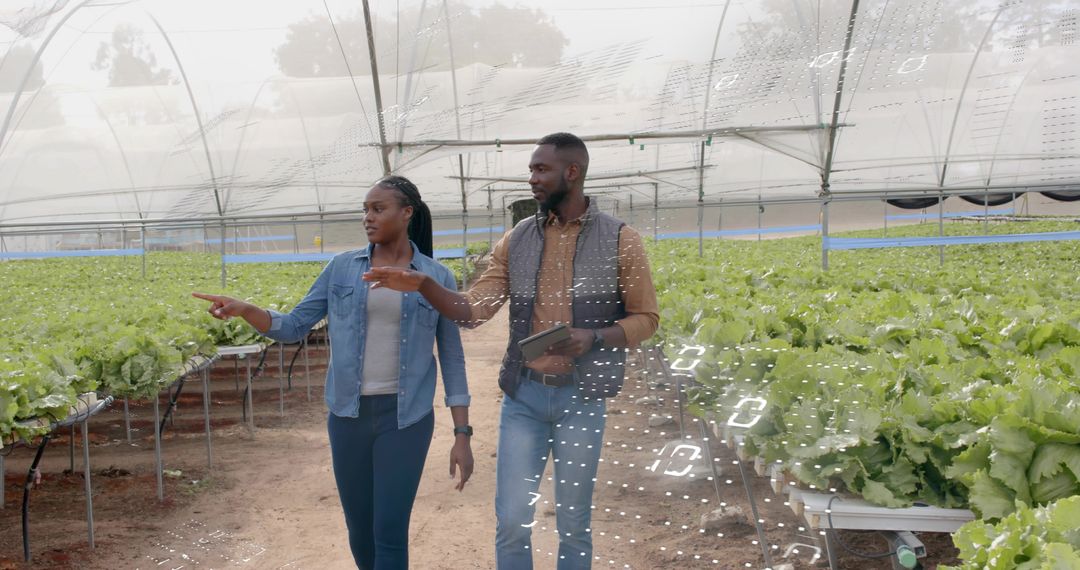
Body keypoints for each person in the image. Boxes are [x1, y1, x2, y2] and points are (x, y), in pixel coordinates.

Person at [363, 133, 660, 569]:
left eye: (541, 170)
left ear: (572, 172)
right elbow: (473, 311)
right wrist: (426, 285)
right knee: (512, 520)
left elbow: (646, 319)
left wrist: (594, 338)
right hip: (524, 398)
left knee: (574, 521)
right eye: (531, 170)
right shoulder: (517, 239)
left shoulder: (621, 240)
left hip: (583, 399)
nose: (532, 179)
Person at [193, 176, 473, 570]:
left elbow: (452, 357)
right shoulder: (341, 269)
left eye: (378, 209)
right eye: (365, 210)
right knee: (360, 529)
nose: (367, 218)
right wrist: (246, 309)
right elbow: (292, 327)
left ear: (406, 213)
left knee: (389, 531)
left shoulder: (434, 278)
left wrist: (462, 433)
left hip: (406, 419)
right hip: (348, 416)